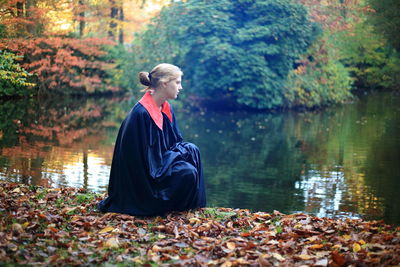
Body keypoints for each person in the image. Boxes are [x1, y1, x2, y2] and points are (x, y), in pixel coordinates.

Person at [98, 63, 206, 216]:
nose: (180, 87)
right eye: (177, 82)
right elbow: (144, 165)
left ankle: (191, 206)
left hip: (159, 166)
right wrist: (177, 156)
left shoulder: (165, 108)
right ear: (164, 83)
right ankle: (165, 207)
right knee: (186, 172)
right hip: (144, 182)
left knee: (193, 150)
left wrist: (180, 153)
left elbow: (173, 144)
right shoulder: (141, 114)